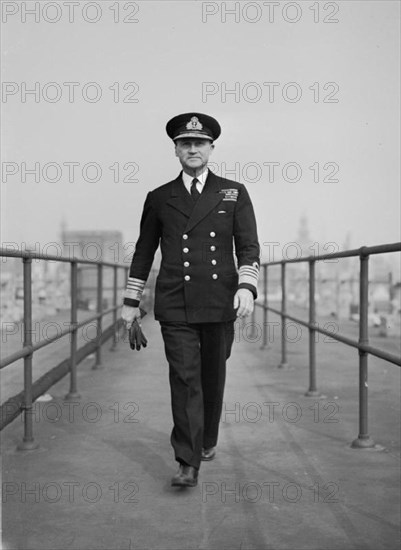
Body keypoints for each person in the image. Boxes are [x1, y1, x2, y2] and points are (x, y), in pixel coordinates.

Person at [121, 112, 260, 488]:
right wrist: (131, 303)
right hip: (176, 302)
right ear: (176, 151)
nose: (193, 149)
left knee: (212, 376)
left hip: (219, 301)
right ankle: (187, 459)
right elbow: (144, 251)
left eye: (199, 143)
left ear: (211, 148)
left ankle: (207, 437)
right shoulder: (160, 197)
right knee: (184, 378)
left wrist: (246, 286)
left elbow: (248, 246)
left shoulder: (233, 192)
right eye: (185, 144)